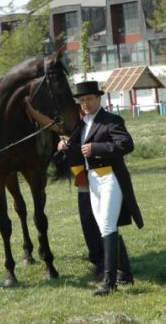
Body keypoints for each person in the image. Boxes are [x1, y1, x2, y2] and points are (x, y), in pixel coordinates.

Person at [57, 81, 144, 295]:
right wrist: (66, 147)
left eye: (89, 99)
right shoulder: (82, 123)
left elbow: (126, 145)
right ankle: (125, 274)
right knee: (106, 225)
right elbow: (78, 150)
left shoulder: (111, 120)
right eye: (82, 100)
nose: (85, 103)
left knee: (106, 225)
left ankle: (109, 281)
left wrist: (96, 148)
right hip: (94, 181)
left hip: (111, 178)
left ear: (99, 98)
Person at [24, 96, 104, 280]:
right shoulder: (76, 128)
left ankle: (111, 263)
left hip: (101, 181)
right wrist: (31, 111)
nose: (82, 110)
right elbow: (51, 125)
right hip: (83, 183)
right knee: (88, 225)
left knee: (103, 224)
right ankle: (99, 263)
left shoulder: (99, 124)